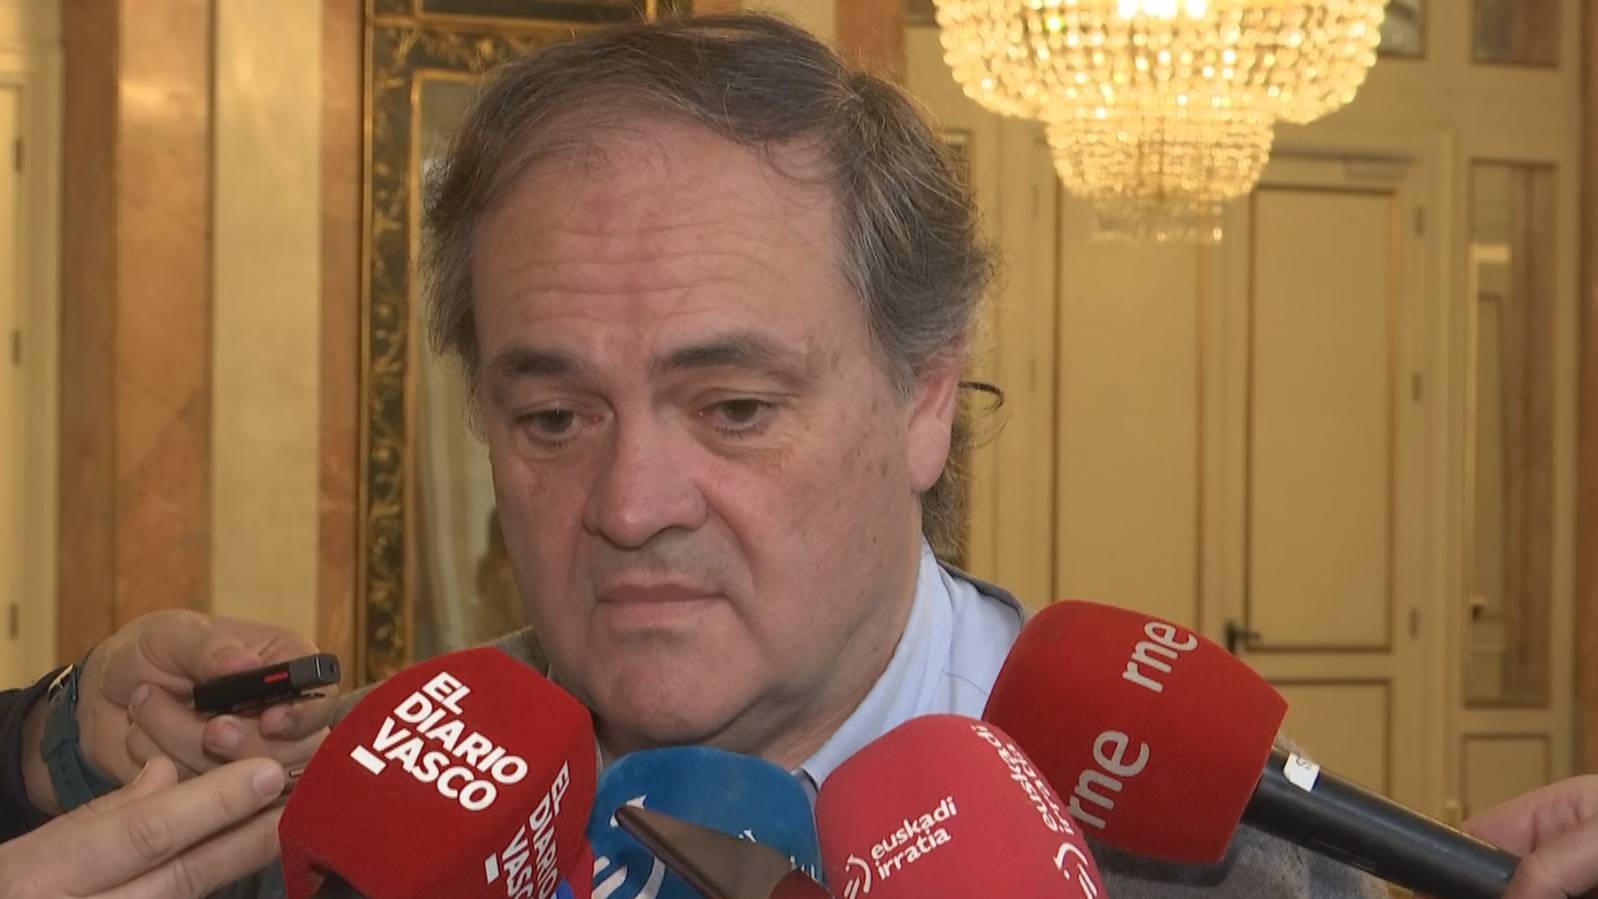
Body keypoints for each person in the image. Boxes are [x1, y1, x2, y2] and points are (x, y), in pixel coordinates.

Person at [0, 14, 1584, 899]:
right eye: (553, 419)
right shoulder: (357, 828)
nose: (629, 507)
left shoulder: (1228, 866)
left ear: (922, 398)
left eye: (735, 407)